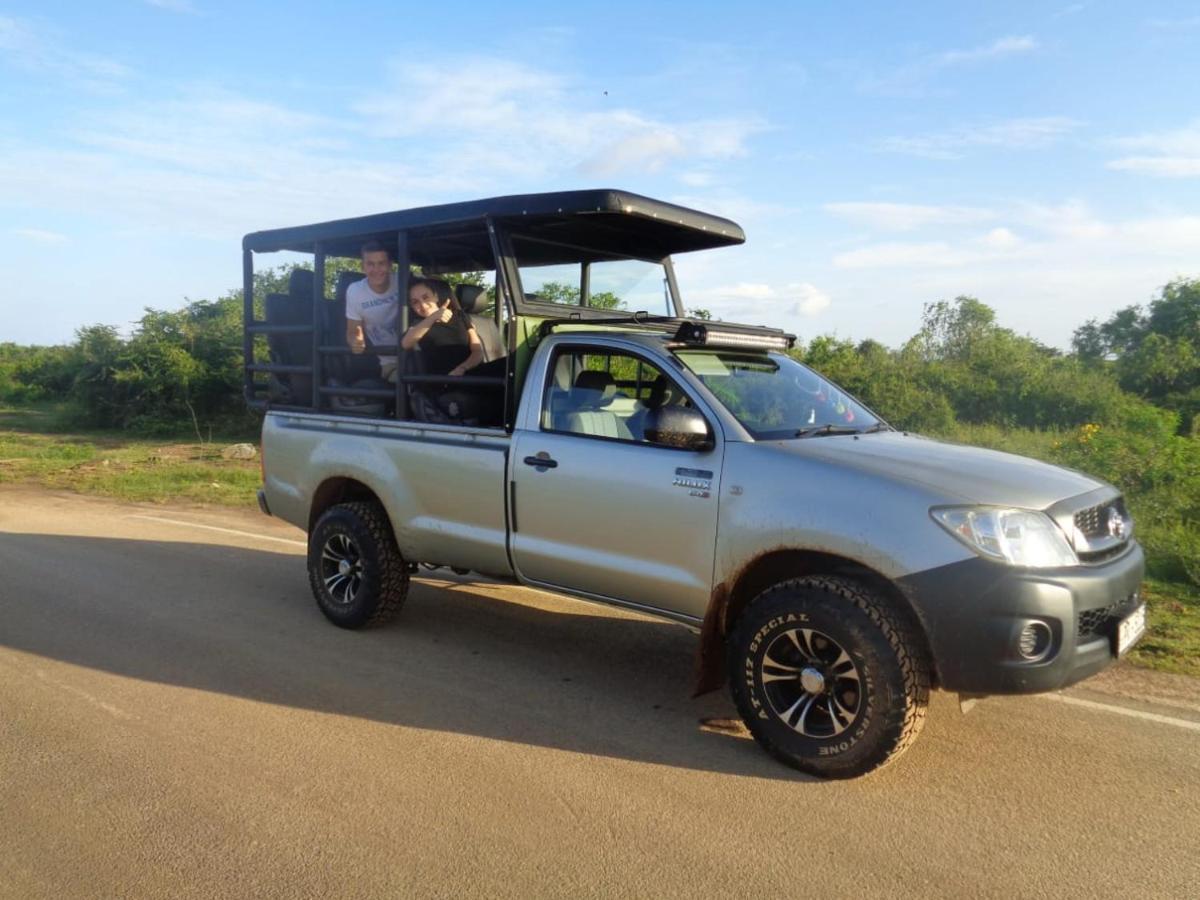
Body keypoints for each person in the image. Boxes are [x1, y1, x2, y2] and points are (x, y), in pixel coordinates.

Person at [345, 241, 399, 378]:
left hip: (416, 353)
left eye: (381, 263)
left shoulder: (403, 281)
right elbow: (352, 331)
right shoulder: (355, 291)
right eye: (370, 264)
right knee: (408, 384)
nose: (376, 269)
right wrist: (355, 341)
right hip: (390, 362)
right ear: (362, 267)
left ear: (390, 265)